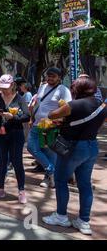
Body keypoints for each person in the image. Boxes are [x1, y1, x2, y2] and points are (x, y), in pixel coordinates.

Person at [43, 77, 107, 235]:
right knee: (84, 184)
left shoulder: (73, 105)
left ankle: (61, 216)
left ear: (78, 90)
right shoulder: (102, 105)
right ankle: (84, 221)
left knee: (60, 179)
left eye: (73, 88)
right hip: (92, 146)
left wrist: (64, 118)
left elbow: (52, 115)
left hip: (74, 147)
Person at [27, 67, 72, 188]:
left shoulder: (63, 90)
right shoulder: (42, 87)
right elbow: (37, 104)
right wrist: (32, 118)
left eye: (53, 76)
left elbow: (67, 108)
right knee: (31, 147)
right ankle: (52, 171)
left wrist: (58, 120)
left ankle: (48, 177)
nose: (50, 78)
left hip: (50, 126)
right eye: (49, 76)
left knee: (49, 152)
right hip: (37, 124)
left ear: (59, 78)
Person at [0, 74, 30, 204]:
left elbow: (27, 116)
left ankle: (21, 190)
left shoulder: (19, 99)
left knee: (17, 161)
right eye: (2, 87)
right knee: (1, 162)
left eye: (6, 87)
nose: (4, 90)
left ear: (12, 85)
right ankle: (0, 189)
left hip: (15, 134)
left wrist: (13, 117)